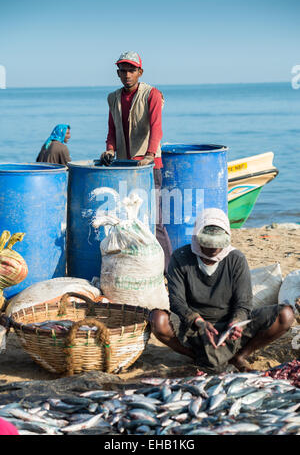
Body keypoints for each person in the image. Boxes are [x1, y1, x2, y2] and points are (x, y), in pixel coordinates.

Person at [150, 208, 295, 373]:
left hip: (228, 323)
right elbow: (177, 302)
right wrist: (198, 321)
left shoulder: (236, 259)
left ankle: (239, 356)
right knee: (158, 320)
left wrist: (236, 322)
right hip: (194, 325)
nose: (212, 250)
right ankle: (195, 355)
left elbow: (244, 303)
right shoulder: (180, 257)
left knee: (286, 315)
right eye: (207, 244)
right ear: (197, 238)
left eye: (217, 245)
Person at [100, 51, 172, 273]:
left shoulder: (151, 94)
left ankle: (166, 270)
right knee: (128, 220)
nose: (127, 74)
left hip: (149, 167)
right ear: (118, 73)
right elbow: (112, 130)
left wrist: (150, 154)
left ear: (140, 72)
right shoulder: (113, 97)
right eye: (123, 70)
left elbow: (156, 126)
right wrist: (110, 149)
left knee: (155, 222)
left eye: (131, 70)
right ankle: (137, 268)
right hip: (124, 167)